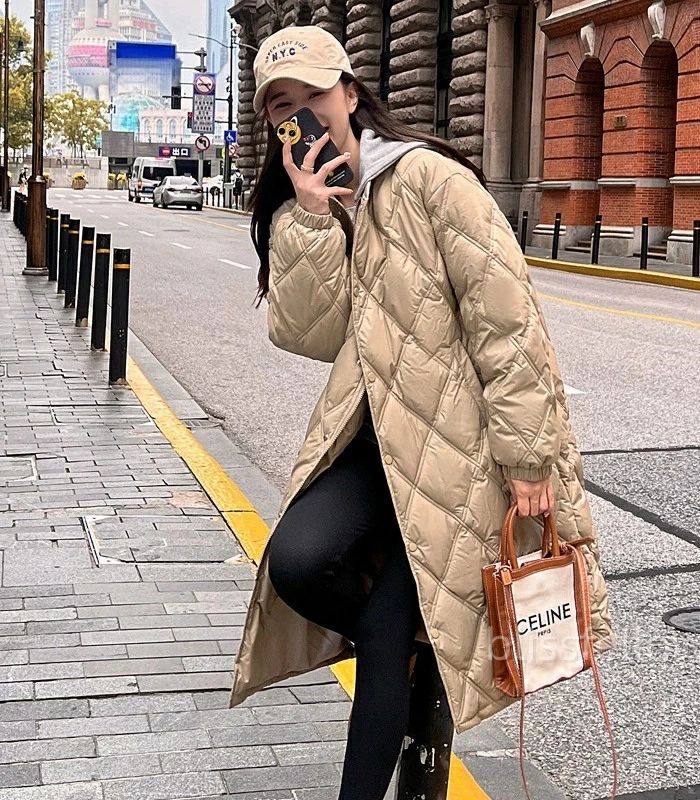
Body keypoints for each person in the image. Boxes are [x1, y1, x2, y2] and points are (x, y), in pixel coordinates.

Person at [228, 23, 616, 800]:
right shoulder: (313, 205)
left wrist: (527, 456)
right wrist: (310, 216)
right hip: (373, 442)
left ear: (349, 92)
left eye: (313, 93)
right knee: (299, 563)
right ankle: (418, 649)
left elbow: (508, 321)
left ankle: (399, 675)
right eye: (280, 105)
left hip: (455, 455)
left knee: (383, 639)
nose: (300, 113)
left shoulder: (430, 179)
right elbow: (310, 335)